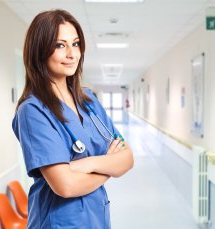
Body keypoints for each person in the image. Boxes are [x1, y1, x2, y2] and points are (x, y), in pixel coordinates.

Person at [12, 9, 134, 229]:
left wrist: (87, 164)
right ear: (40, 51)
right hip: (58, 222)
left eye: (75, 44)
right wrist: (109, 167)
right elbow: (65, 186)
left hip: (96, 218)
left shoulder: (88, 102)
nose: (72, 54)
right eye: (60, 45)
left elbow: (127, 159)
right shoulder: (32, 110)